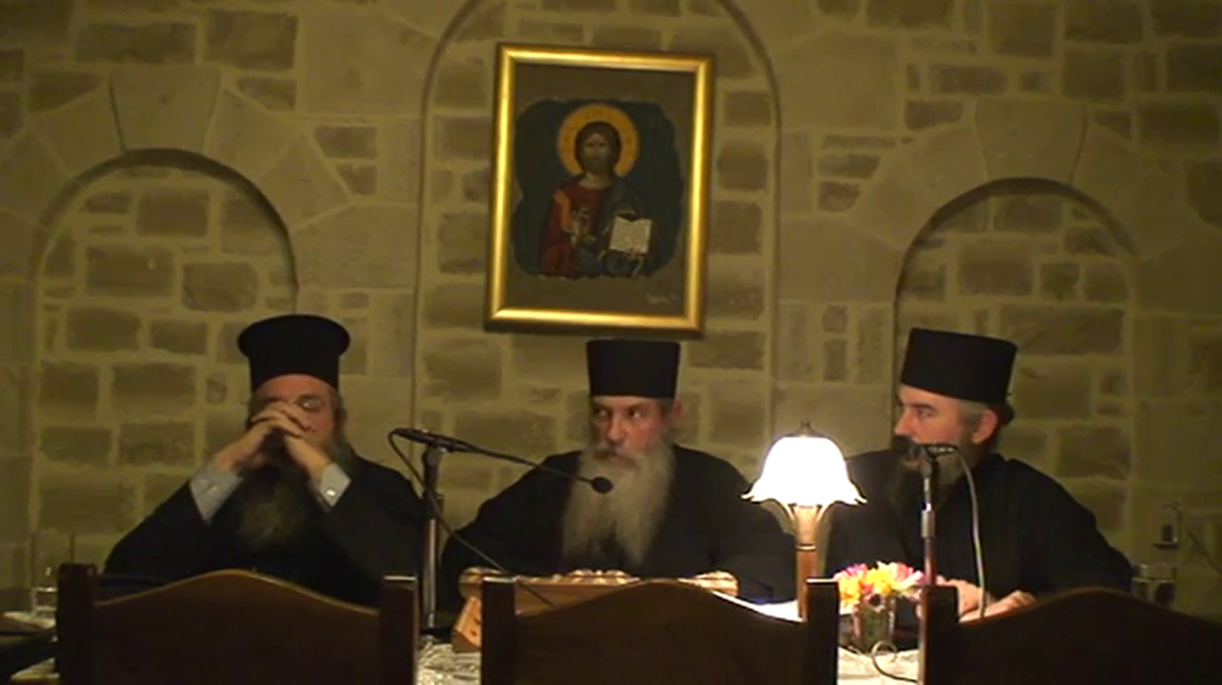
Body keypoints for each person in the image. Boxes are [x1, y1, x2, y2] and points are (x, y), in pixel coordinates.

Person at [439, 339, 794, 610]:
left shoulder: (710, 482)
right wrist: (554, 586)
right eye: (602, 414)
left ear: (670, 417)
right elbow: (468, 553)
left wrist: (688, 592)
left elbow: (771, 562)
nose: (613, 433)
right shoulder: (555, 477)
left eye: (634, 415)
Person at [105, 314, 424, 606]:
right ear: (252, 422)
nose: (288, 420)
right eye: (272, 407)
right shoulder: (227, 494)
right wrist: (227, 464)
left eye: (309, 405)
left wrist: (318, 468)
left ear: (338, 421)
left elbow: (407, 579)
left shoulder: (382, 488)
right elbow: (125, 575)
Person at [825, 328, 1132, 622]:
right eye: (903, 408)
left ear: (981, 427)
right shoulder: (860, 482)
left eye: (924, 413)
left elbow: (1106, 598)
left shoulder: (1033, 500)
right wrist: (945, 608)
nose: (901, 428)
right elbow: (843, 592)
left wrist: (1018, 611)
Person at [538, 120, 648, 278]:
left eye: (602, 145)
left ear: (614, 152)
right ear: (580, 152)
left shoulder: (625, 194)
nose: (595, 151)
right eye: (590, 145)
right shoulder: (565, 196)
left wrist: (634, 252)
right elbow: (548, 251)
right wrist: (574, 241)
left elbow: (638, 238)